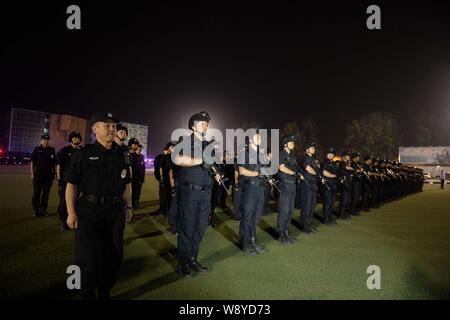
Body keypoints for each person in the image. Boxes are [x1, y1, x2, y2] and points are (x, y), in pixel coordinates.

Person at [65, 112, 133, 300]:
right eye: (107, 125)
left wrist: (128, 207)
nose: (112, 128)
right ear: (95, 129)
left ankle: (104, 292)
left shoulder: (122, 154)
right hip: (90, 212)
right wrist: (71, 213)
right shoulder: (83, 154)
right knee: (86, 258)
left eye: (113, 125)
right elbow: (71, 185)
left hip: (115, 213)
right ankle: (83, 294)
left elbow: (127, 183)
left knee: (113, 256)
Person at [173, 111, 220, 277]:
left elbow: (212, 165)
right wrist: (201, 160)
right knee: (187, 227)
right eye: (202, 122)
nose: (205, 125)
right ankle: (183, 263)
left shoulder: (208, 145)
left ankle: (193, 258)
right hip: (190, 193)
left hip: (206, 194)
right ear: (193, 126)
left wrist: (216, 173)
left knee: (200, 228)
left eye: (207, 123)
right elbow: (177, 159)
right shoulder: (184, 141)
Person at [238, 129, 272, 255]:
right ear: (251, 138)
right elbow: (242, 171)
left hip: (260, 188)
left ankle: (252, 241)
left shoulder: (260, 153)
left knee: (256, 216)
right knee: (247, 215)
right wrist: (258, 173)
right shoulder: (244, 152)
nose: (260, 139)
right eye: (258, 137)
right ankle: (245, 243)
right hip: (250, 188)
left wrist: (268, 160)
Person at [56, 131, 82, 231]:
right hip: (65, 180)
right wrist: (59, 179)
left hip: (78, 182)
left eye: (78, 138)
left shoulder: (81, 151)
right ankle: (63, 221)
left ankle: (75, 220)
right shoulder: (64, 151)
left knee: (78, 201)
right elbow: (59, 165)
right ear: (70, 139)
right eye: (74, 138)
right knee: (64, 201)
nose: (77, 139)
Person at [276, 135, 298, 244]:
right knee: (284, 210)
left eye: (293, 142)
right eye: (291, 142)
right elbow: (281, 167)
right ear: (285, 144)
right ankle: (281, 234)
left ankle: (286, 232)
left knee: (290, 210)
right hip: (285, 184)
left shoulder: (292, 156)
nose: (293, 144)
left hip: (292, 184)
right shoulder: (281, 154)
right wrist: (294, 173)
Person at [30, 134, 56, 217]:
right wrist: (32, 174)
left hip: (48, 176)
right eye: (44, 140)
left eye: (48, 140)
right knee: (37, 193)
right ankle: (36, 210)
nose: (46, 141)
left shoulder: (52, 149)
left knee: (46, 194)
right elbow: (32, 162)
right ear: (41, 141)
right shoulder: (37, 149)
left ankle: (43, 209)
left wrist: (54, 173)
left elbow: (54, 164)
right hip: (38, 175)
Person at [299, 142, 321, 234]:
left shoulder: (312, 159)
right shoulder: (304, 157)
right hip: (306, 185)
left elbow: (316, 168)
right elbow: (307, 168)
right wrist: (316, 173)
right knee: (306, 206)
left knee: (312, 205)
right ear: (307, 149)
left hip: (313, 184)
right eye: (312, 148)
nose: (314, 149)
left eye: (314, 148)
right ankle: (304, 226)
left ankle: (308, 223)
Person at [321, 148, 338, 225]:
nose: (330, 154)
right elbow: (324, 172)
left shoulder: (334, 163)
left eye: (332, 153)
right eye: (329, 153)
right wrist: (333, 175)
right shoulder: (325, 162)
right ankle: (326, 220)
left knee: (331, 203)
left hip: (333, 185)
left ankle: (329, 218)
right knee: (327, 203)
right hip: (327, 185)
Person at [337, 150, 353, 220]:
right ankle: (341, 214)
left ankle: (344, 213)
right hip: (344, 184)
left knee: (347, 200)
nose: (348, 157)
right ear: (344, 157)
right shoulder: (342, 163)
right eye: (347, 156)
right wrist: (351, 168)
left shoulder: (347, 163)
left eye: (349, 156)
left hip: (348, 183)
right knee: (344, 200)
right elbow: (348, 169)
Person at [128, 138, 142, 209]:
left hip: (136, 178)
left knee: (136, 192)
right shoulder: (128, 155)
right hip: (129, 179)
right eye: (134, 144)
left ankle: (134, 204)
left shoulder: (138, 156)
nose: (136, 146)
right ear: (130, 145)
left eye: (137, 144)